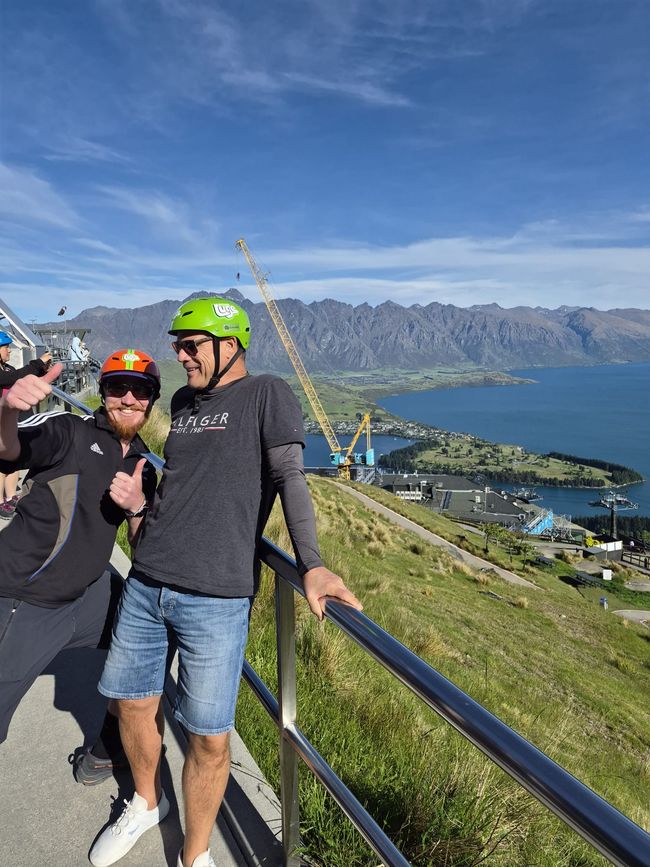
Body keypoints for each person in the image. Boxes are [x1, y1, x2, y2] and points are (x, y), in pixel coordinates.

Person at [90, 298, 362, 867]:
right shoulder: (186, 402)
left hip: (217, 595)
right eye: (178, 346)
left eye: (191, 346)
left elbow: (290, 477)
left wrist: (309, 562)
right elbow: (186, 482)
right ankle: (145, 801)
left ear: (229, 344)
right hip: (146, 580)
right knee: (133, 704)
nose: (181, 357)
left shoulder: (268, 393)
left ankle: (194, 856)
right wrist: (143, 508)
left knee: (210, 738)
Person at [0, 348, 160, 765]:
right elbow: (9, 449)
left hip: (87, 597)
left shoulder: (144, 466)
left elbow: (142, 548)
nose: (128, 398)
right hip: (24, 598)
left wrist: (139, 509)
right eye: (117, 387)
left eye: (140, 390)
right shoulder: (69, 430)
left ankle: (109, 744)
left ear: (152, 399)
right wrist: (6, 408)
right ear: (103, 393)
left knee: (154, 629)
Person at [0, 330, 53, 519]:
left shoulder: (8, 369)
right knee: (1, 463)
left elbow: (20, 378)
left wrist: (42, 370)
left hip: (14, 420)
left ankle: (11, 496)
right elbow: (10, 380)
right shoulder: (4, 374)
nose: (9, 351)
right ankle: (0, 501)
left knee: (14, 461)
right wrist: (37, 363)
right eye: (6, 347)